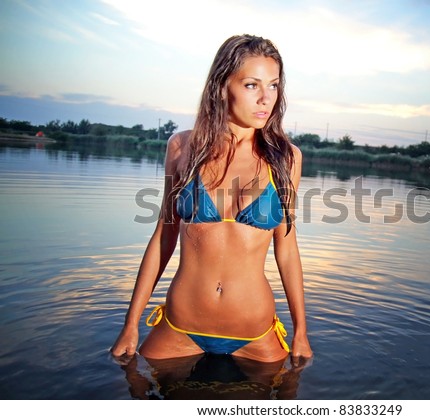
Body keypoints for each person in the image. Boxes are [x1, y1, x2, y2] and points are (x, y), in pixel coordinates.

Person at [111, 34, 312, 364]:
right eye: (252, 85)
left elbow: (287, 249)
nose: (266, 98)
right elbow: (164, 236)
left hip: (254, 333)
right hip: (179, 327)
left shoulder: (287, 158)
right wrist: (130, 324)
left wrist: (301, 331)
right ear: (222, 86)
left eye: (274, 85)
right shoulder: (182, 147)